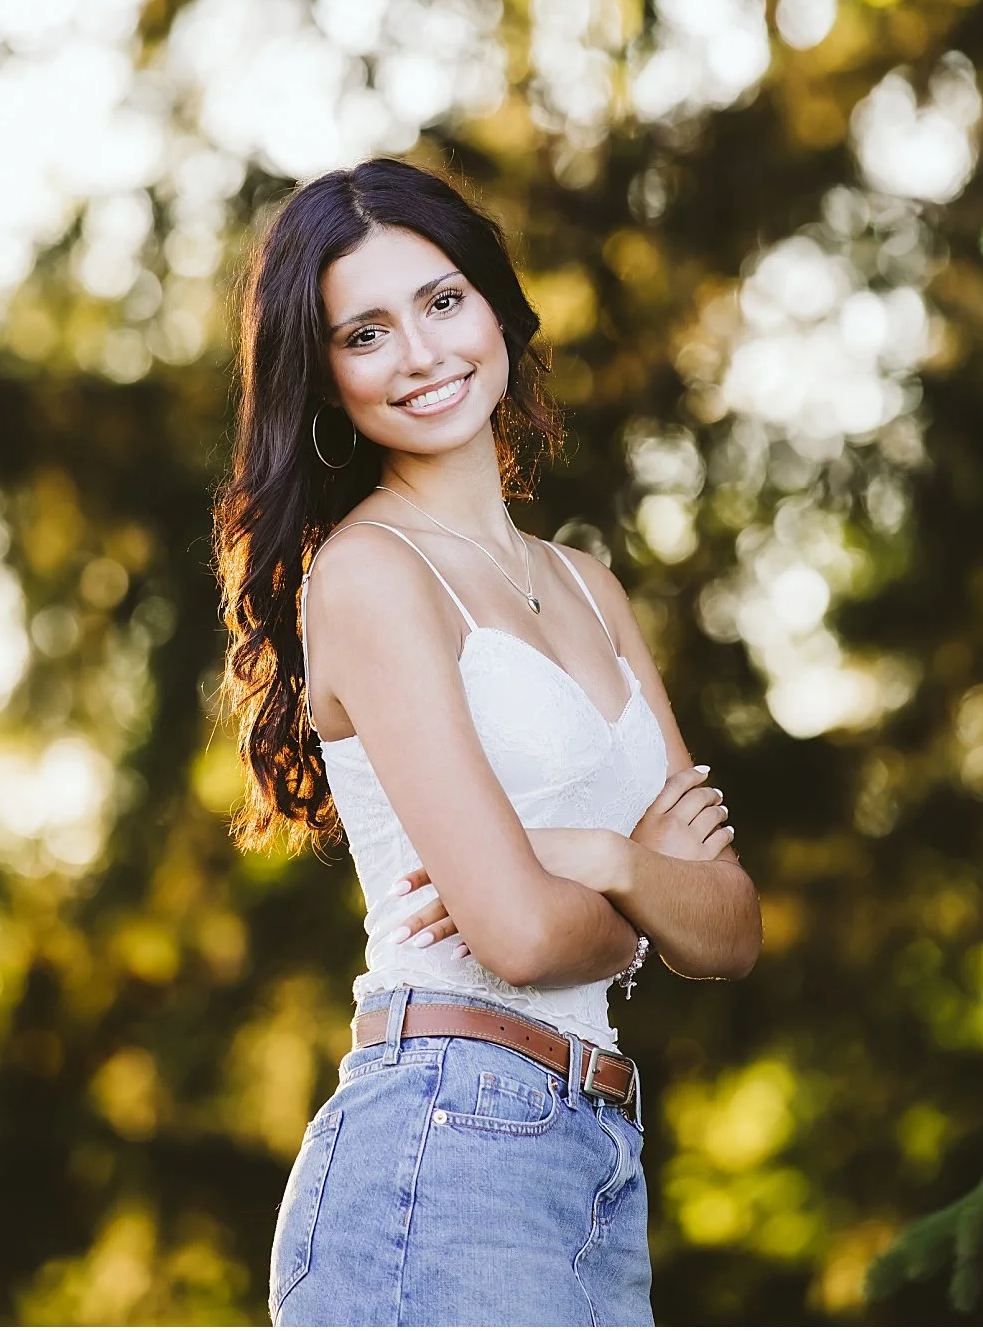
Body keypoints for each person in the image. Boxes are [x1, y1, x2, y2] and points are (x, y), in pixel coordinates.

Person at [212, 157, 762, 1326]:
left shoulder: (590, 585)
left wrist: (604, 859)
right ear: (326, 382)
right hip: (444, 1143)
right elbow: (514, 932)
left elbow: (732, 928)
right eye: (365, 332)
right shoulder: (368, 574)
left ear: (497, 308)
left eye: (442, 301)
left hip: (593, 1149)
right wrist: (646, 875)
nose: (419, 353)